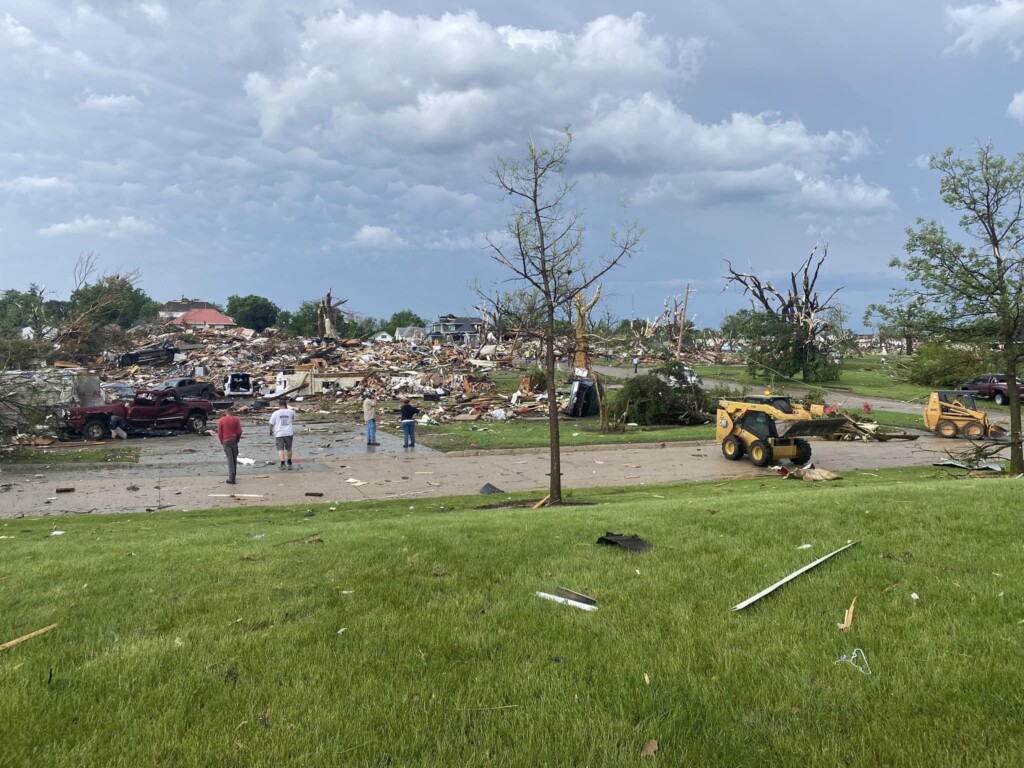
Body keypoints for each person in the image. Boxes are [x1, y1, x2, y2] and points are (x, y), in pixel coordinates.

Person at [217, 405, 243, 484]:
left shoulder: (221, 420)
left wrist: (221, 441)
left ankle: (231, 478)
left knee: (230, 459)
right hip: (233, 440)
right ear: (232, 412)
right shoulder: (236, 419)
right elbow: (240, 431)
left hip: (226, 440)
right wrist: (237, 439)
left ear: (226, 412)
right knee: (234, 457)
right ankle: (233, 475)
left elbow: (219, 433)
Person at [269, 397, 296, 470]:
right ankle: (289, 462)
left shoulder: (275, 413)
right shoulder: (291, 412)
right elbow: (293, 418)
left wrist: (270, 431)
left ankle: (282, 463)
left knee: (280, 449)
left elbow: (271, 423)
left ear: (279, 405)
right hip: (289, 432)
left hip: (279, 433)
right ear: (286, 404)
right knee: (289, 449)